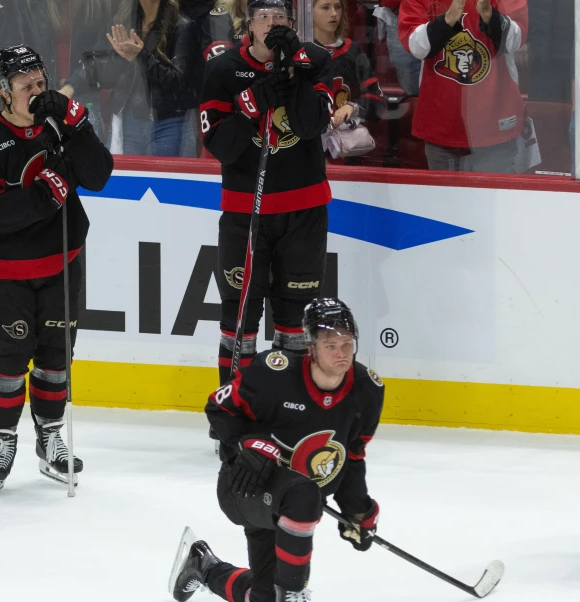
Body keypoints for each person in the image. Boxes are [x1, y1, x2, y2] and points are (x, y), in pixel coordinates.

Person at [168, 298, 385, 602]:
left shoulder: (366, 390)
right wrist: (248, 445)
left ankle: (203, 566)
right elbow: (219, 408)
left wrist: (358, 511)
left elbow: (352, 457)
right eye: (330, 345)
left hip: (292, 506)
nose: (341, 353)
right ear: (311, 347)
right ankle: (293, 597)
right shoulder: (274, 373)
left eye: (347, 344)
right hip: (246, 487)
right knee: (304, 494)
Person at [0, 45, 113, 493]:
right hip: (3, 272)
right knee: (7, 365)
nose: (36, 90)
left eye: (40, 82)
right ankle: (3, 439)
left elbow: (99, 176)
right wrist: (48, 193)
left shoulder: (60, 127)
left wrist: (77, 123)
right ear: (3, 91)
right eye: (25, 84)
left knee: (54, 361)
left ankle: (50, 439)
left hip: (61, 263)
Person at [200, 0, 333, 389]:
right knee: (239, 316)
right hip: (246, 213)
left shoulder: (316, 61)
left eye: (280, 18)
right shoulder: (224, 69)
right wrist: (251, 103)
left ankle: (288, 407)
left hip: (304, 210)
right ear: (249, 25)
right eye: (263, 17)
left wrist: (295, 71)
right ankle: (235, 406)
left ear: (292, 24)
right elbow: (221, 147)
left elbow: (311, 126)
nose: (272, 24)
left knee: (296, 318)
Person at [398, 0, 528, 173]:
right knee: (444, 191)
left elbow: (515, 40)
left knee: (492, 190)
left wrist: (489, 14)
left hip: (495, 122)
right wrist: (448, 19)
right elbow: (416, 46)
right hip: (441, 123)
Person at [103, 0, 199, 157]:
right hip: (130, 119)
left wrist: (141, 56)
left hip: (166, 122)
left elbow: (178, 81)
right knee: (129, 173)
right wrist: (117, 58)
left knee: (162, 173)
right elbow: (108, 77)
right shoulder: (124, 20)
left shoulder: (182, 25)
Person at [310, 0, 382, 159]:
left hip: (346, 148)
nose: (334, 13)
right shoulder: (300, 53)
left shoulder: (352, 51)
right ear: (309, 12)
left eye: (337, 7)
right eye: (325, 7)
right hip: (308, 148)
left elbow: (376, 99)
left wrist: (353, 107)